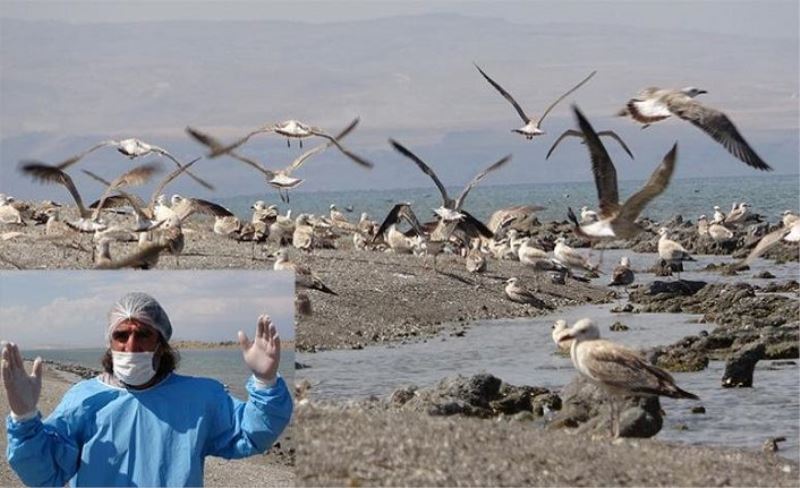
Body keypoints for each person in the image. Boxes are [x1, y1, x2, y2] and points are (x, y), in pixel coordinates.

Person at [2, 292, 293, 487]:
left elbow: (251, 433)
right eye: (121, 335)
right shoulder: (84, 399)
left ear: (161, 342)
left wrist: (265, 382)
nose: (131, 345)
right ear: (110, 342)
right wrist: (24, 418)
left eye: (143, 334)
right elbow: (44, 473)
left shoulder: (201, 398)